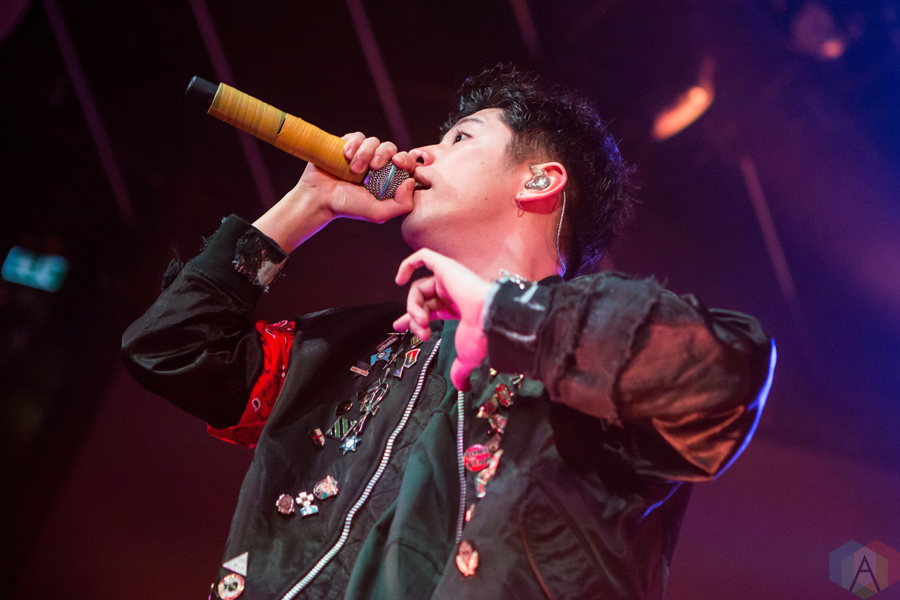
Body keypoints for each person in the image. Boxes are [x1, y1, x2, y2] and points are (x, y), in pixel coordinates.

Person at [122, 65, 775, 600]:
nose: (418, 154)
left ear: (539, 180)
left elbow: (723, 377)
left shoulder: (599, 362)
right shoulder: (358, 348)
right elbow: (174, 348)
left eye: (460, 138)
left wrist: (503, 314)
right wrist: (308, 202)